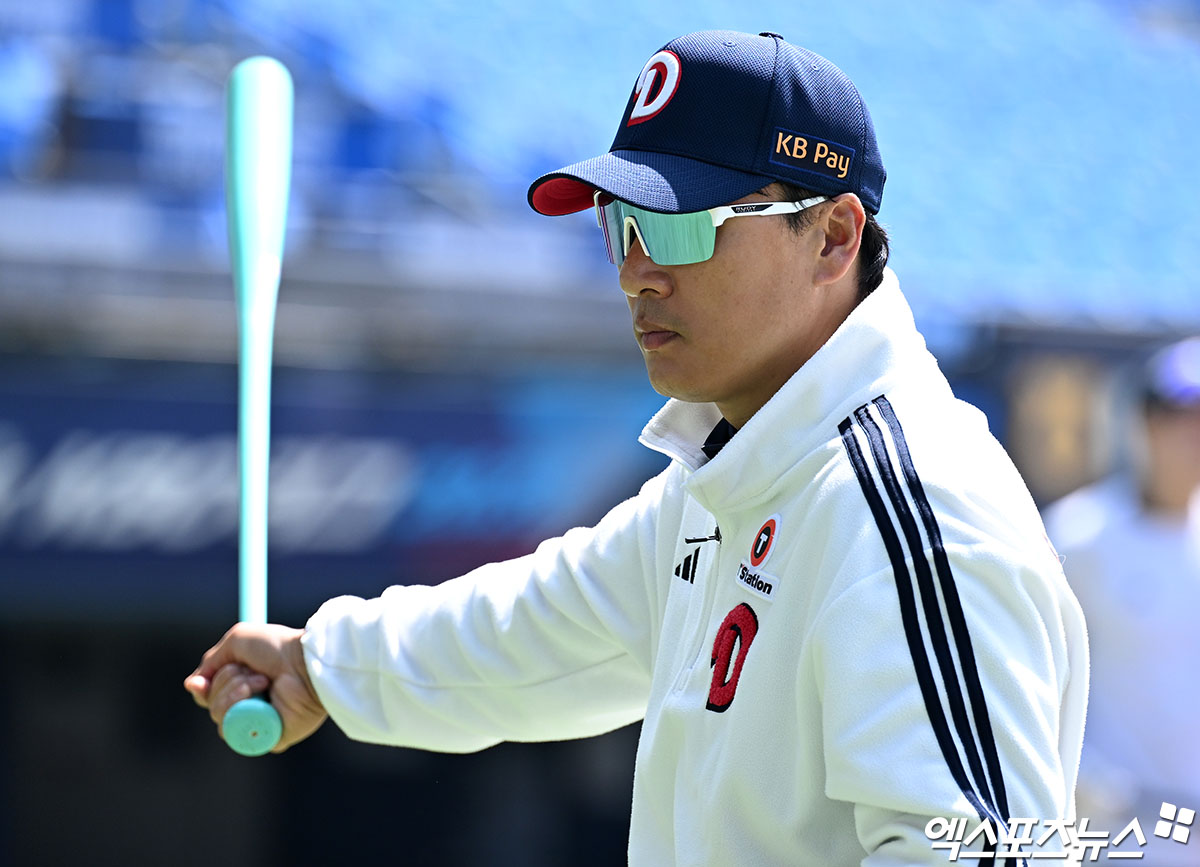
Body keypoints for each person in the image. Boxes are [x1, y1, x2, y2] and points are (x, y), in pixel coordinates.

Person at [187, 30, 1088, 864]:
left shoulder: (911, 514)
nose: (634, 271)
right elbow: (537, 631)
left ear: (834, 237)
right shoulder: (730, 476)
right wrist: (320, 665)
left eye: (682, 224)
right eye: (618, 224)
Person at [1042, 337, 1200, 865]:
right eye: (1178, 417)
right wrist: (1087, 774)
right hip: (1116, 836)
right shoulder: (1080, 535)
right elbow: (1034, 675)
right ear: (1145, 425)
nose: (1190, 437)